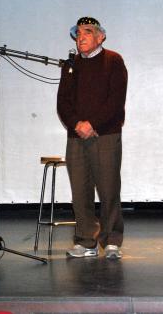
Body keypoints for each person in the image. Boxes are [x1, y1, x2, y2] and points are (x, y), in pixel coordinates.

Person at [57, 16, 128, 259]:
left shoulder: (114, 61)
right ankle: (86, 241)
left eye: (87, 32)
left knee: (108, 189)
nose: (81, 37)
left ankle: (111, 241)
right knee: (80, 191)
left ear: (101, 36)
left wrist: (92, 124)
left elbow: (116, 101)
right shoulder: (71, 65)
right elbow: (63, 103)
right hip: (76, 137)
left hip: (105, 134)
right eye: (78, 33)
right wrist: (77, 124)